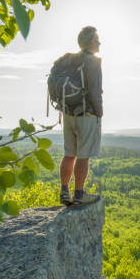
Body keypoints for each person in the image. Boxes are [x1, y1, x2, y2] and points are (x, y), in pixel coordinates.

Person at [58, 26, 103, 206]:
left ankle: (64, 191)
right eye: (97, 40)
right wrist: (99, 112)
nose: (99, 43)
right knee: (84, 156)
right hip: (86, 114)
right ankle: (79, 194)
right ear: (91, 42)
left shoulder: (69, 60)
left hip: (68, 113)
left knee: (69, 154)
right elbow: (94, 91)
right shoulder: (93, 62)